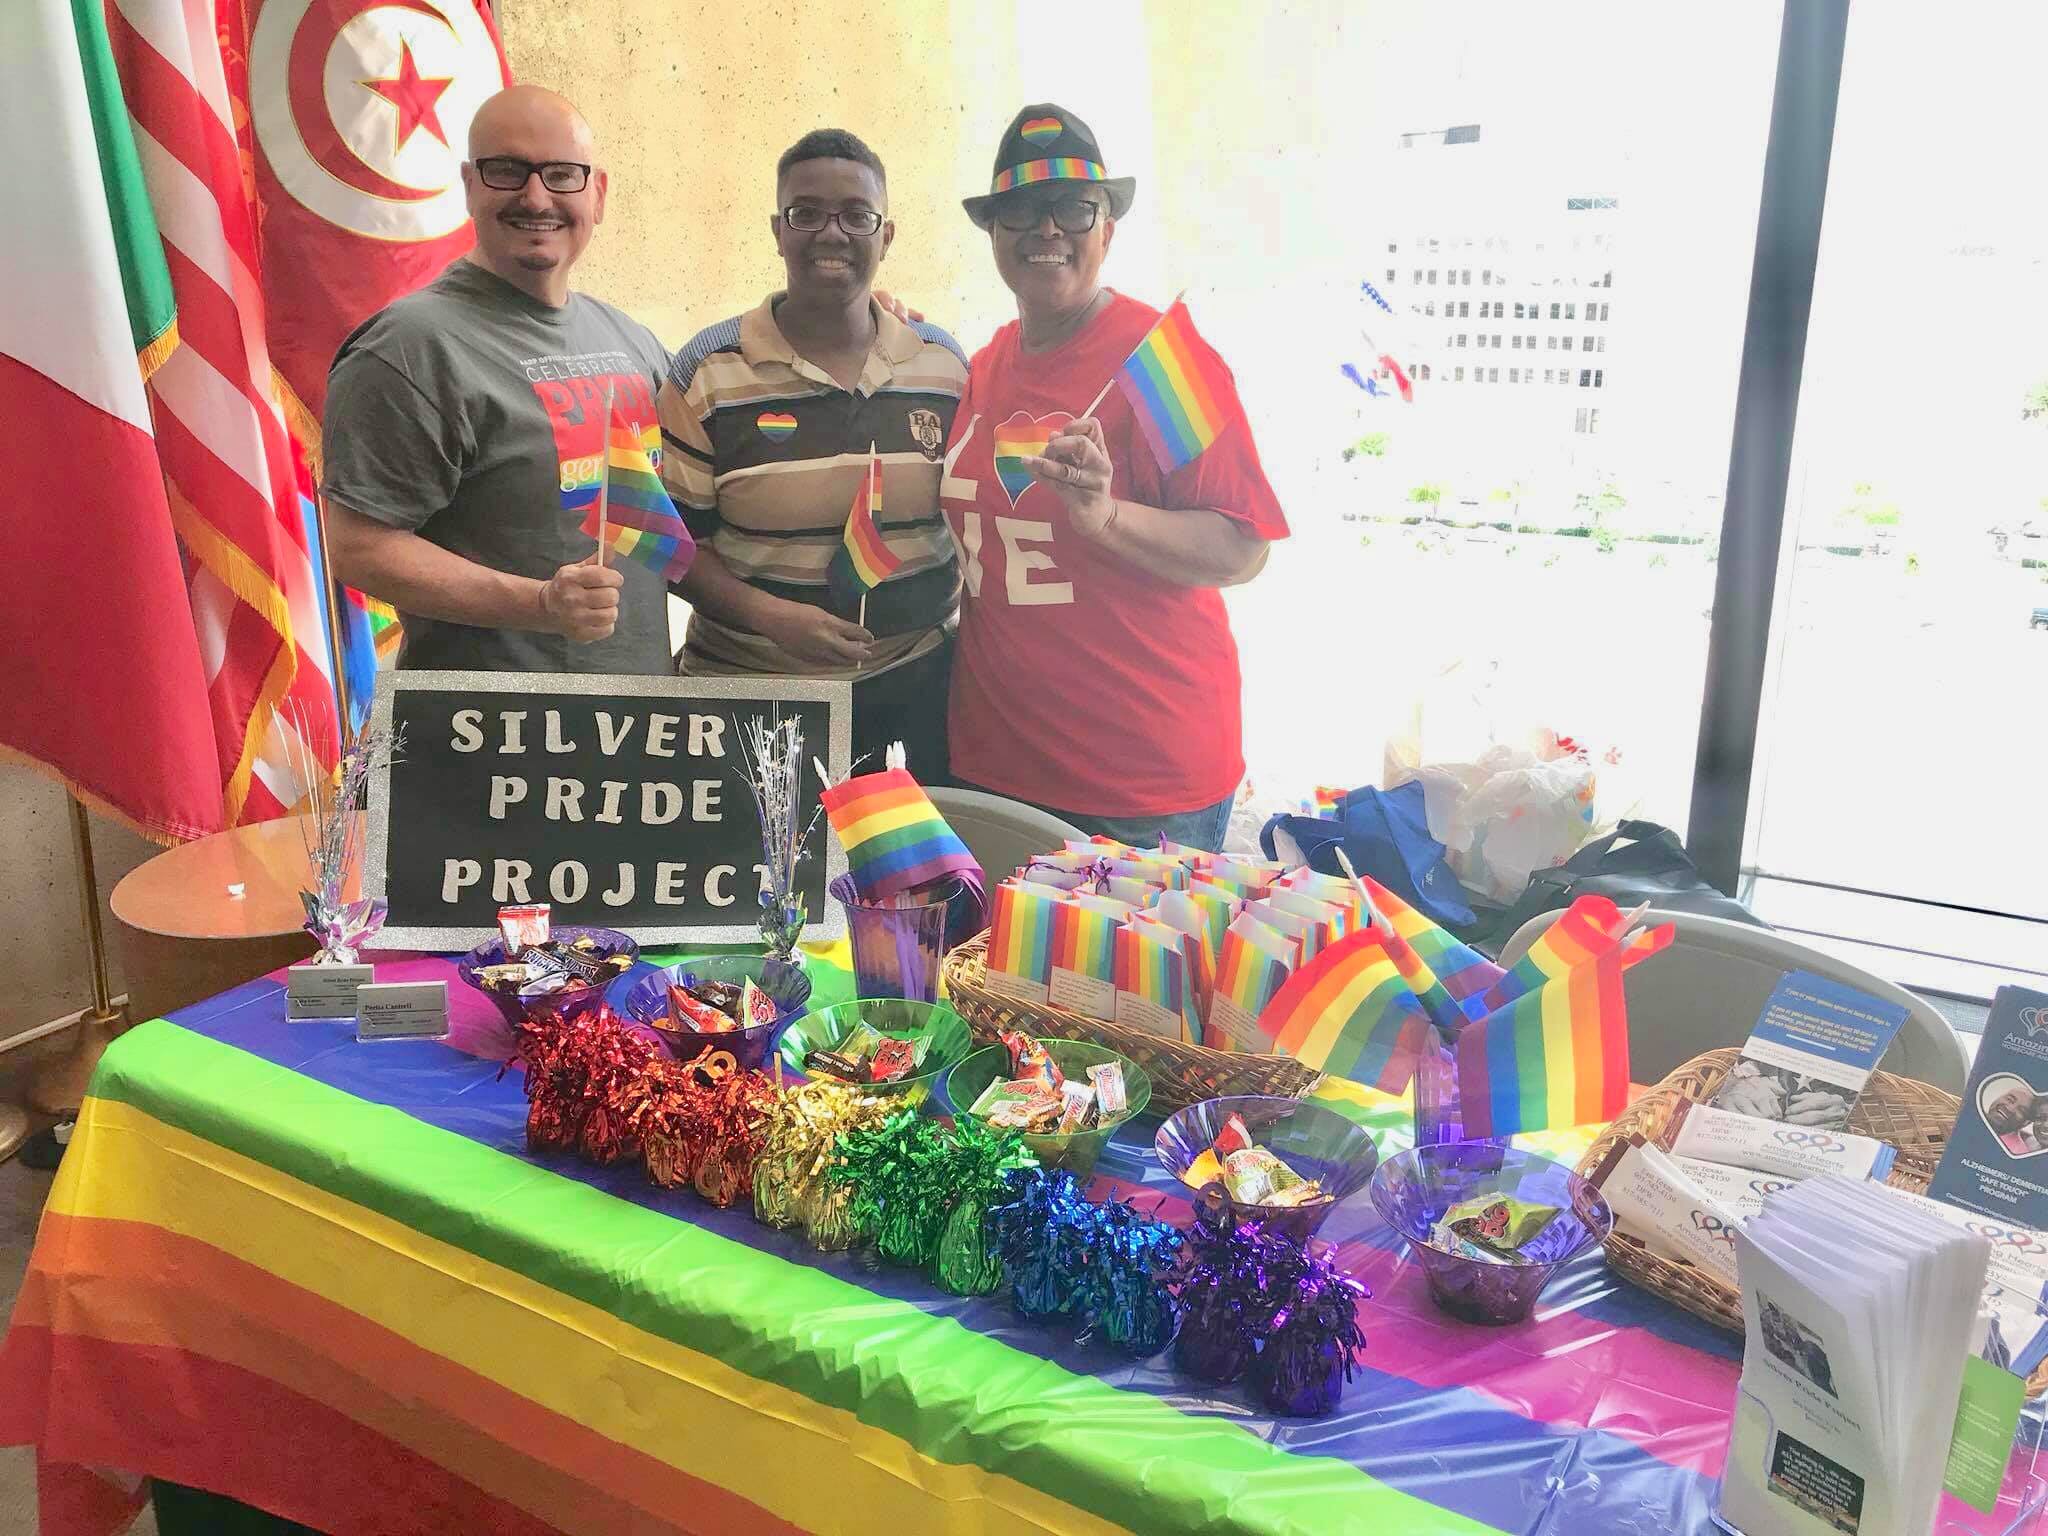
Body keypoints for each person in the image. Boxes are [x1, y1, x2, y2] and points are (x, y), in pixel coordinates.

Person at [941, 105, 1288, 851]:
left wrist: (1106, 515)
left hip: (1135, 787)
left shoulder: (1161, 361)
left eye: (1074, 207)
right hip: (996, 765)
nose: (1047, 229)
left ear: (1107, 228)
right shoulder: (988, 362)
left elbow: (1242, 548)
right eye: (1022, 210)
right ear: (993, 232)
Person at [323, 85, 681, 674]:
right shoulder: (410, 348)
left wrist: (873, 327)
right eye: (507, 171)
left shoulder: (630, 341)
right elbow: (359, 548)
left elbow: (699, 497)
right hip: (486, 746)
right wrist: (540, 603)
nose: (535, 197)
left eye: (562, 174)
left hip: (637, 736)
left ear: (599, 194)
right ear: (469, 185)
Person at [658, 130, 966, 777]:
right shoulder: (706, 373)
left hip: (917, 696)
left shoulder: (945, 368)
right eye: (808, 213)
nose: (833, 232)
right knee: (762, 881)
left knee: (907, 882)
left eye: (857, 215)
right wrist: (769, 617)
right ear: (778, 229)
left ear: (887, 235)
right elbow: (672, 549)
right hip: (750, 700)